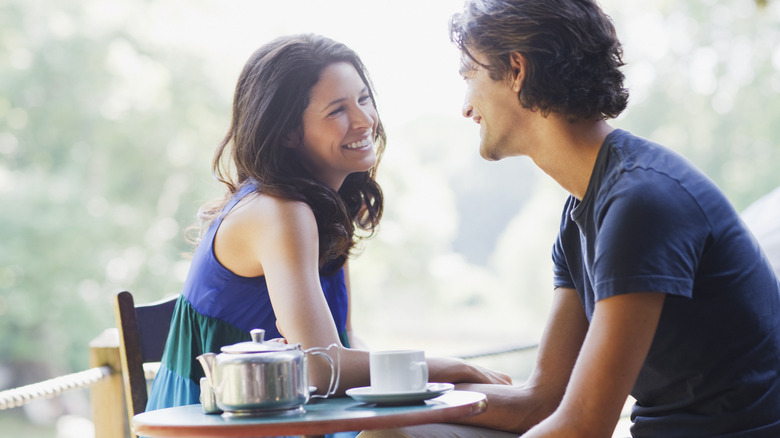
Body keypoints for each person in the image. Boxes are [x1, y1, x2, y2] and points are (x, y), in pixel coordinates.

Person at [359, 1, 780, 437]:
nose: (466, 107)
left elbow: (583, 425)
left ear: (517, 71)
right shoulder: (581, 213)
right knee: (394, 432)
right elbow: (543, 401)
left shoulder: (641, 202)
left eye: (470, 77)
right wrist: (408, 396)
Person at [145, 33, 510, 419]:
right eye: (337, 110)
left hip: (298, 416)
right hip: (226, 426)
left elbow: (344, 343)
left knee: (485, 403)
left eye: (364, 100)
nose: (364, 120)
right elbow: (322, 367)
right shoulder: (280, 212)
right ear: (287, 133)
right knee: (479, 402)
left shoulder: (321, 211)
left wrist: (441, 374)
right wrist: (450, 366)